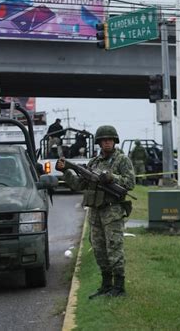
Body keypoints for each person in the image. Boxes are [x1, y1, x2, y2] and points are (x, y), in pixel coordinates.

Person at [55, 125, 135, 298]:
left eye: (110, 140)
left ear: (114, 141)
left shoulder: (122, 160)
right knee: (99, 249)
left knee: (114, 248)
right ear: (99, 142)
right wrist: (66, 171)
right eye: (103, 140)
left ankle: (119, 287)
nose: (107, 143)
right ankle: (106, 285)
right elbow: (78, 185)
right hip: (95, 212)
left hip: (112, 211)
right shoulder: (94, 163)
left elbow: (130, 183)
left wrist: (112, 177)